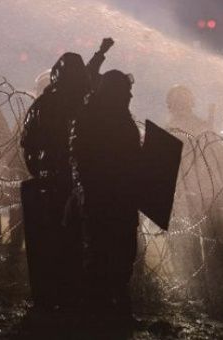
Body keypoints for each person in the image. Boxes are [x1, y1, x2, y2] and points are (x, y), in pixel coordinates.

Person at [20, 52, 91, 310]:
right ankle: (64, 295)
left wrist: (39, 172)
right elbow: (30, 143)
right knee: (66, 241)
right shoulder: (81, 104)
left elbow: (28, 143)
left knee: (58, 241)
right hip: (66, 183)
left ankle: (55, 295)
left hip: (58, 182)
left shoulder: (48, 103)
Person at [74, 70, 141, 313]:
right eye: (126, 90)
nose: (131, 95)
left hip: (121, 196)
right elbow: (86, 157)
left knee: (123, 250)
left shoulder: (115, 116)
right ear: (115, 92)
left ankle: (115, 300)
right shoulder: (96, 117)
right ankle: (98, 304)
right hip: (105, 195)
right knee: (102, 249)